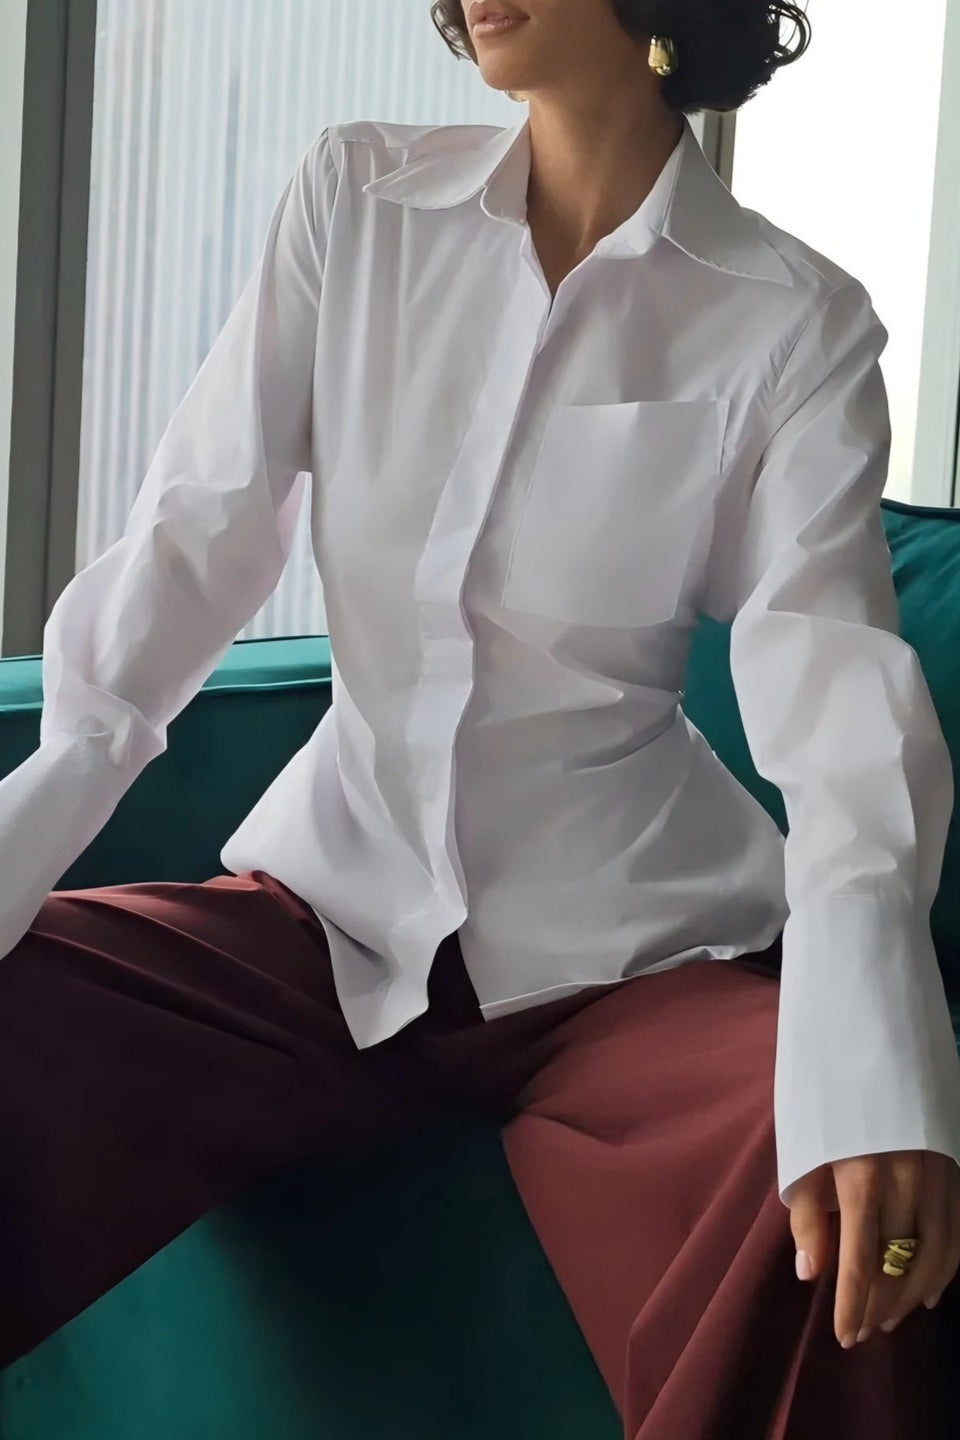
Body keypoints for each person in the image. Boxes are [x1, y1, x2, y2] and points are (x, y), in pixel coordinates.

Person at [0, 0, 958, 1433]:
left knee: (818, 1189)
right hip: (329, 921)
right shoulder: (358, 201)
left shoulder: (793, 319)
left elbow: (835, 698)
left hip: (630, 957)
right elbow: (191, 545)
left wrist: (876, 1069)